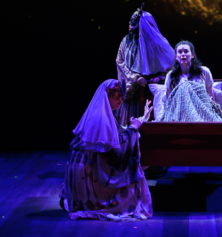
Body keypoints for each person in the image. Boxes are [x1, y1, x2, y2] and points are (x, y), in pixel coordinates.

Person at [60, 79, 154, 221]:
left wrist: (139, 121)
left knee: (137, 167)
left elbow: (114, 138)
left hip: (91, 164)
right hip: (90, 169)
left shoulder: (104, 113)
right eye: (117, 96)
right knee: (132, 179)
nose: (121, 100)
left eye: (123, 96)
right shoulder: (100, 117)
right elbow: (114, 146)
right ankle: (93, 201)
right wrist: (133, 128)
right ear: (107, 96)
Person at [115, 5, 174, 126]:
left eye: (134, 23)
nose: (130, 25)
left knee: (143, 122)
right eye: (130, 22)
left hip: (147, 90)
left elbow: (170, 66)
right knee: (126, 122)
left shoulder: (157, 43)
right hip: (130, 88)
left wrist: (159, 77)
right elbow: (119, 61)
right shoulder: (126, 40)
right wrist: (134, 77)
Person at [159, 40, 222, 122]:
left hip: (201, 112)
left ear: (192, 55)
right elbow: (170, 101)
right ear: (176, 56)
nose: (183, 54)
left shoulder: (204, 71)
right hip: (180, 114)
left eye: (186, 51)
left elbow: (210, 98)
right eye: (180, 52)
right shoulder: (170, 75)